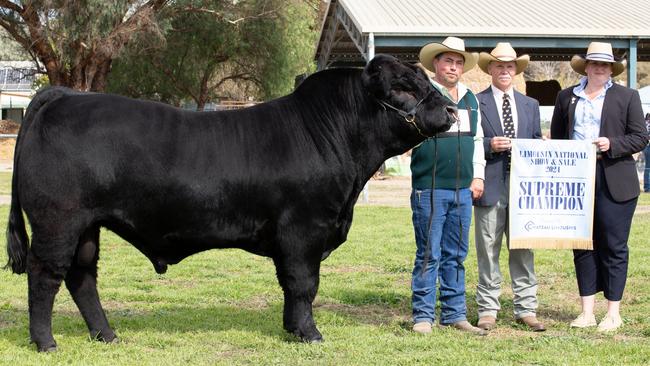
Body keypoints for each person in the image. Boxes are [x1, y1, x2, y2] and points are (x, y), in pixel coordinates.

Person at [550, 42, 647, 332]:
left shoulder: (627, 96)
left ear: (611, 68)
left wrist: (612, 144)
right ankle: (586, 311)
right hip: (577, 180)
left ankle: (613, 312)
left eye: (605, 64)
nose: (599, 68)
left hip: (615, 178)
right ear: (586, 66)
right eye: (594, 63)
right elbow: (558, 138)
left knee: (614, 247)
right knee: (582, 245)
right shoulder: (566, 97)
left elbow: (640, 137)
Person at [410, 36, 486, 335]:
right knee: (429, 253)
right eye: (447, 61)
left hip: (463, 189)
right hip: (429, 187)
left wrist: (477, 175)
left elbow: (477, 139)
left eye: (458, 62)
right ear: (436, 64)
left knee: (457, 253)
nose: (453, 67)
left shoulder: (470, 97)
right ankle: (423, 316)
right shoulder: (423, 95)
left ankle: (455, 314)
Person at [473, 43, 545, 332]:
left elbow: (537, 139)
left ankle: (526, 308)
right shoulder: (476, 102)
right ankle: (488, 308)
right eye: (499, 65)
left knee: (523, 248)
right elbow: (472, 144)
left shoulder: (531, 105)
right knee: (488, 248)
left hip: (523, 188)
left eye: (510, 66)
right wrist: (490, 146)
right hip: (490, 184)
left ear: (516, 70)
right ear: (490, 69)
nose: (504, 70)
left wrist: (540, 148)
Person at [644, 113, 650, 192]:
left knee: (647, 167)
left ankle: (647, 187)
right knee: (648, 167)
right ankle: (647, 187)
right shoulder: (648, 124)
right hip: (648, 146)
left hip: (646, 146)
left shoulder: (646, 123)